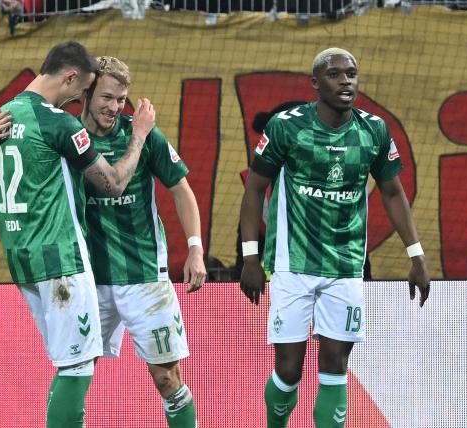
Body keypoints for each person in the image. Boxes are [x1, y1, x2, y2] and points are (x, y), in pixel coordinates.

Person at [239, 47, 431, 427]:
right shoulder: (286, 126)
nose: (346, 81)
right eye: (335, 74)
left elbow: (392, 192)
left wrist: (417, 255)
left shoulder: (373, 130)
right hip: (292, 264)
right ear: (315, 83)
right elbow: (255, 188)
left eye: (352, 73)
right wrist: (249, 258)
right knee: (289, 369)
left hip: (345, 266)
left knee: (335, 365)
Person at [0, 41, 156, 428]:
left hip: (21, 258)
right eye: (82, 90)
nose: (80, 99)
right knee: (77, 364)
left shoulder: (5, 112)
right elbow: (113, 184)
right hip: (60, 259)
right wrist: (139, 135)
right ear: (70, 77)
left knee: (70, 359)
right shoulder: (58, 122)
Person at [79, 56, 206, 427]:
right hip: (89, 278)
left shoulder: (143, 133)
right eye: (106, 97)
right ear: (85, 93)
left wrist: (196, 248)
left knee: (167, 378)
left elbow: (181, 190)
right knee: (76, 374)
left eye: (121, 99)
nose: (115, 108)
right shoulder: (67, 134)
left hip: (145, 276)